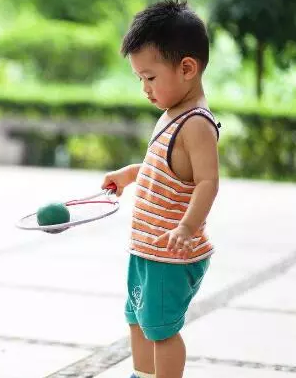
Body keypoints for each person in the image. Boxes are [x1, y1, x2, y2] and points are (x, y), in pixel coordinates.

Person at [101, 1, 221, 378]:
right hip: (148, 248)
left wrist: (187, 227)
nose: (144, 89)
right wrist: (131, 174)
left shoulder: (197, 124)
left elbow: (207, 182)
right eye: (140, 79)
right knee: (137, 319)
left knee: (162, 331)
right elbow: (166, 169)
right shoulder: (171, 114)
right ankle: (143, 375)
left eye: (150, 78)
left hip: (171, 255)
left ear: (187, 68)